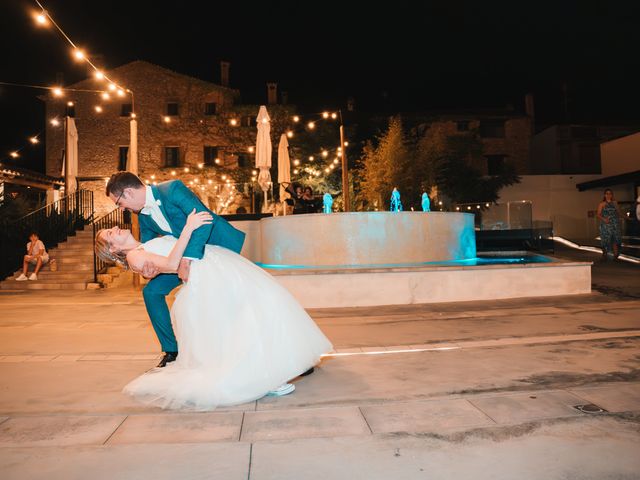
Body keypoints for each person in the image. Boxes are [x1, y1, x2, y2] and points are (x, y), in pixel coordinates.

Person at [95, 210, 333, 410]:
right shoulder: (136, 257)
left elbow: (164, 260)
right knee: (245, 318)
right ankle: (262, 378)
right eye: (110, 234)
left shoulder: (144, 245)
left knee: (256, 309)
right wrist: (188, 228)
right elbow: (170, 263)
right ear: (113, 249)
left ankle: (275, 364)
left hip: (215, 265)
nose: (115, 228)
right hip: (207, 276)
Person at [105, 172, 246, 369]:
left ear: (128, 193)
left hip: (214, 246)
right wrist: (150, 270)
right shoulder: (143, 215)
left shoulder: (172, 189)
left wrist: (187, 261)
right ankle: (172, 350)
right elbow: (148, 247)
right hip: (180, 260)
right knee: (151, 291)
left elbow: (204, 220)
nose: (122, 209)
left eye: (119, 203)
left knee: (243, 296)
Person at [597, 189, 622, 260]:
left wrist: (627, 218)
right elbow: (598, 214)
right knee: (606, 239)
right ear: (604, 195)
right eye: (607, 194)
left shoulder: (615, 203)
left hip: (614, 224)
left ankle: (616, 256)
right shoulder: (602, 203)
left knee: (615, 240)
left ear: (612, 195)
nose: (608, 195)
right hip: (606, 224)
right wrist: (604, 219)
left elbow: (619, 212)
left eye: (610, 194)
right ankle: (604, 255)